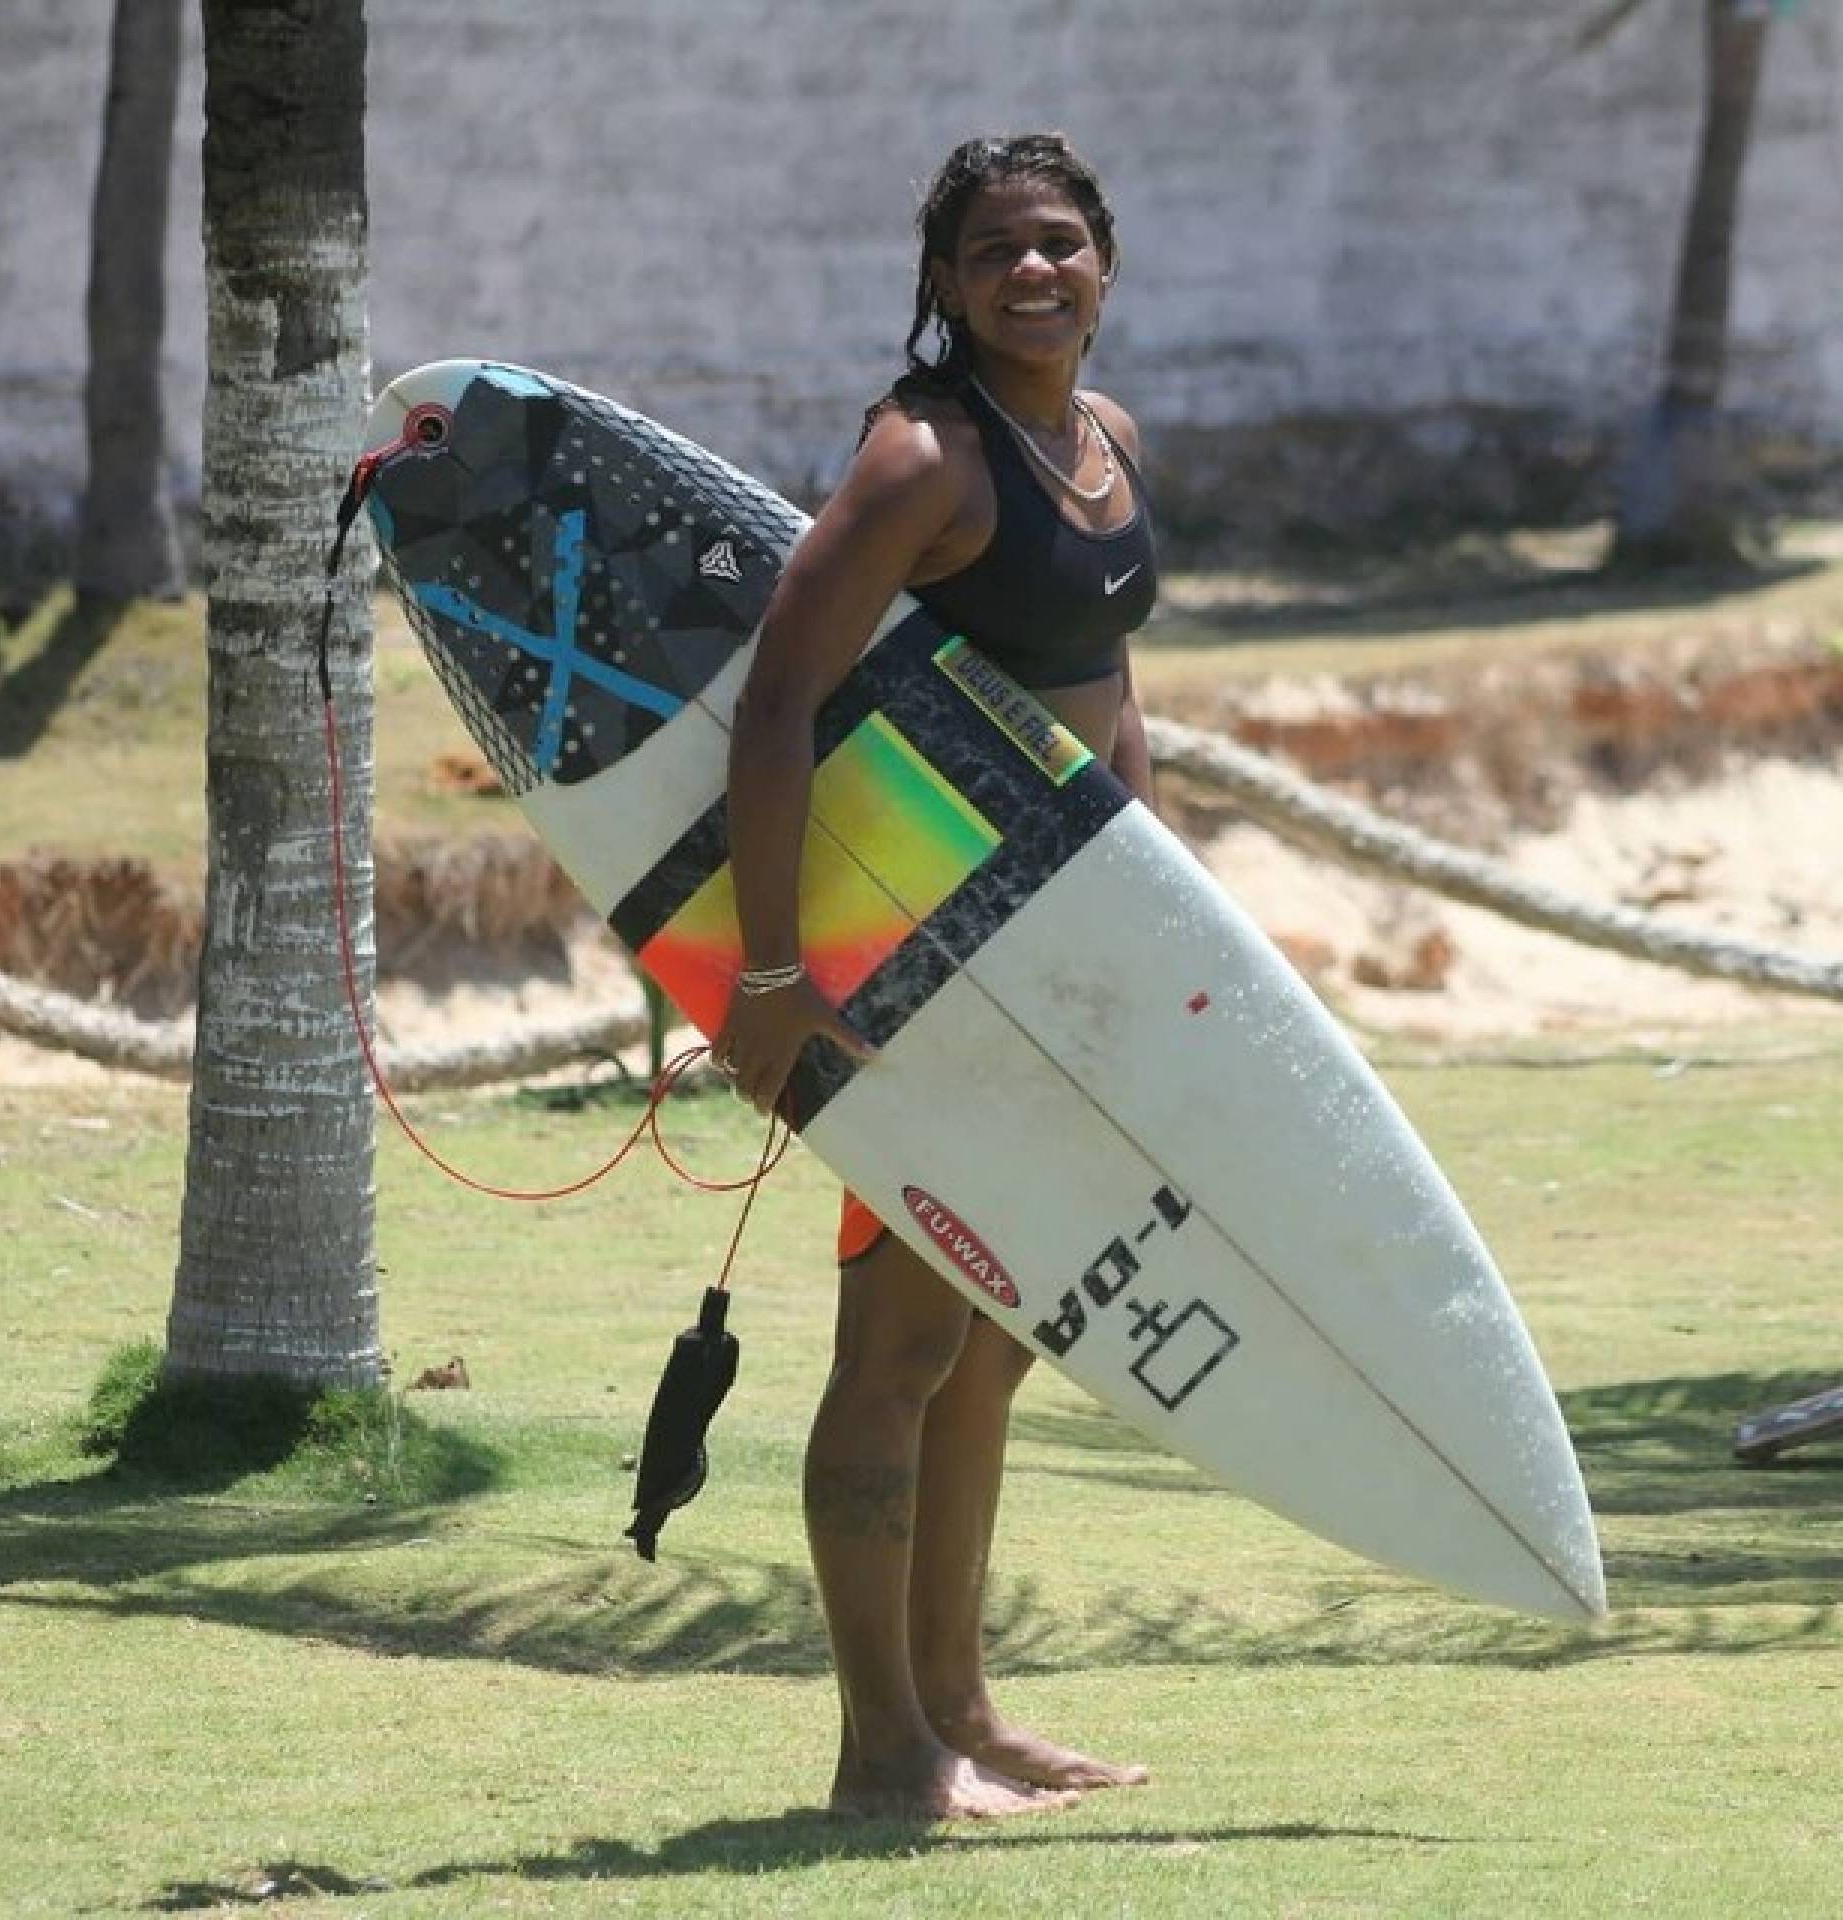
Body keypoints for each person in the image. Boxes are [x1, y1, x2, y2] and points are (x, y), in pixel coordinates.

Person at [713, 132, 1159, 1821]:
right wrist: (768, 977)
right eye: (992, 251)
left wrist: (1153, 914)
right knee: (899, 1351)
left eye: (1057, 243)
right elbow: (776, 706)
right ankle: (882, 1758)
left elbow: (1111, 685)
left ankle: (960, 1710)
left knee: (992, 1351)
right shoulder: (925, 459)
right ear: (944, 282)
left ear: (1105, 262)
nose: (1030, 272)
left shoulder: (1103, 444)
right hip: (916, 966)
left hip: (1057, 967)